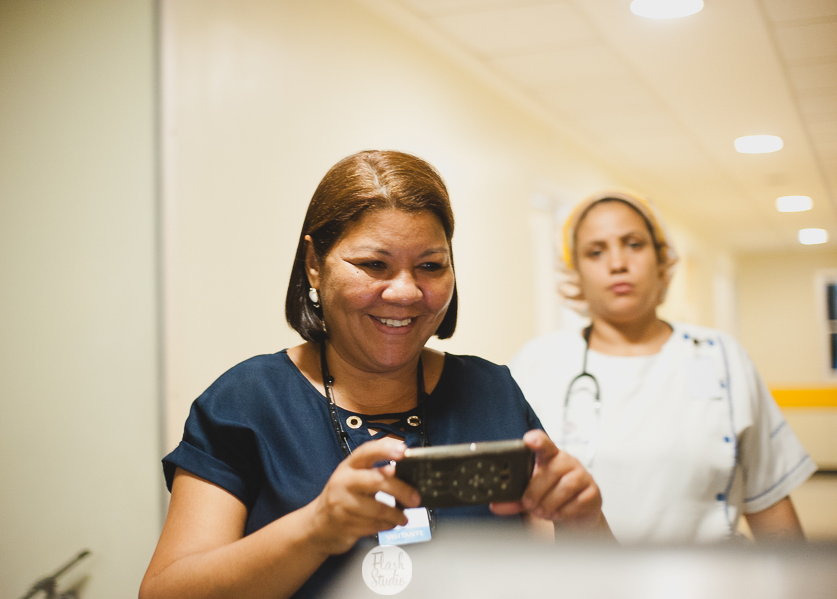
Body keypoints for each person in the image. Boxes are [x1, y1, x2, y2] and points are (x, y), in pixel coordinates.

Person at [139, 150, 612, 599]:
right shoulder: (249, 401)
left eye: (430, 266)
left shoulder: (491, 393)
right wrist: (317, 528)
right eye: (373, 265)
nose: (406, 292)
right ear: (314, 265)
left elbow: (592, 583)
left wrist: (585, 519)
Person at [509, 190, 817, 544]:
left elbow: (771, 506)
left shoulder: (721, 357)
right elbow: (525, 514)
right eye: (596, 251)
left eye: (634, 244)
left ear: (662, 258)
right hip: (589, 586)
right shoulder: (536, 364)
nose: (617, 263)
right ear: (575, 272)